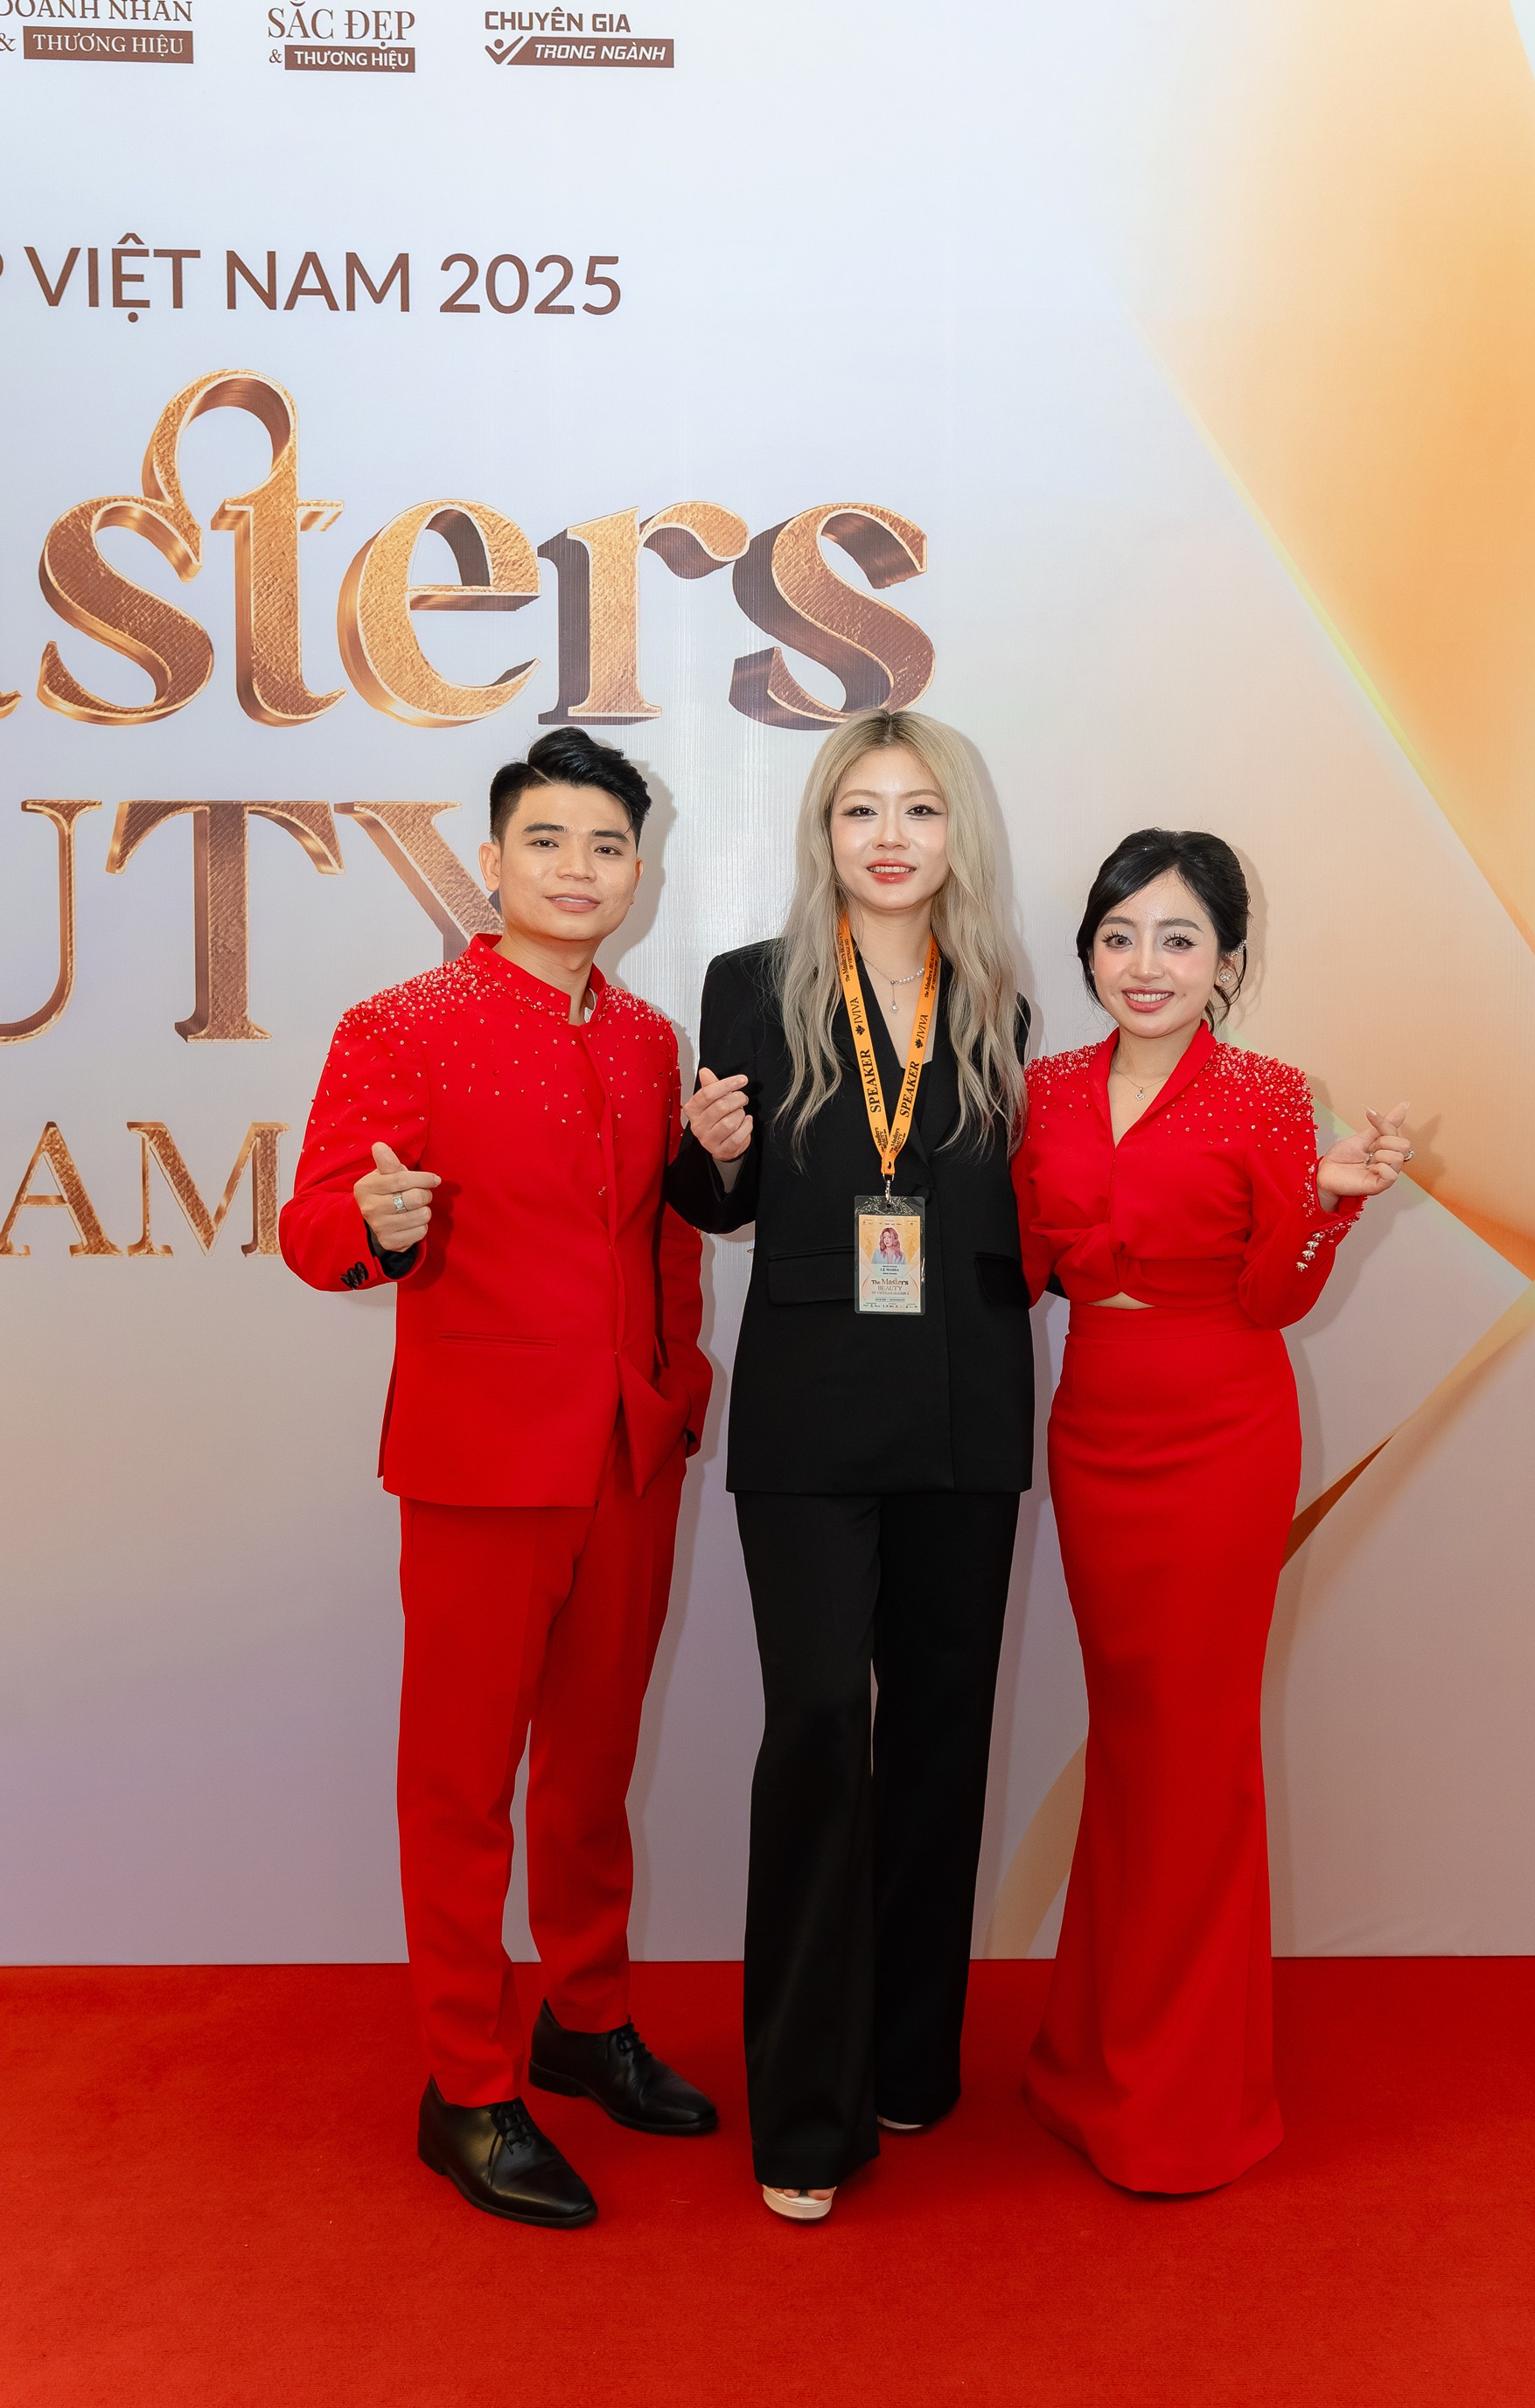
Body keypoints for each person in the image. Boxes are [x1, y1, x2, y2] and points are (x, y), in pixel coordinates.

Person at [281, 727, 716, 2231]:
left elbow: (664, 1234)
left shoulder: (649, 1039)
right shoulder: (402, 1024)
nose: (578, 870)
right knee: (462, 1787)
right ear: (491, 859)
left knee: (594, 1771)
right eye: (547, 841)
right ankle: (465, 2085)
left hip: (629, 1455)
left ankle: (583, 2021)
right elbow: (315, 1222)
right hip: (480, 1463)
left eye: (606, 846)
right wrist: (379, 1224)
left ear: (638, 871)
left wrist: (676, 1393)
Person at [668, 708, 1032, 2222]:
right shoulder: (750, 986)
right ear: (822, 831)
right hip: (813, 1411)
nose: (891, 837)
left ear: (959, 834)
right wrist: (714, 1151)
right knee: (822, 1726)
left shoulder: (1004, 1002)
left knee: (943, 1735)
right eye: (861, 809)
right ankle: (805, 2119)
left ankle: (909, 2057)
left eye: (920, 809)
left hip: (967, 1406)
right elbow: (717, 1201)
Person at [1011, 828, 1409, 2194]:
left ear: (1227, 961)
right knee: (1131, 1744)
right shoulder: (1043, 1091)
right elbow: (1019, 1265)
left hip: (1223, 1431)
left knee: (1196, 1751)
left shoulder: (1270, 1096)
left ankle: (1180, 2096)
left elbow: (1273, 1298)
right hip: (1095, 1428)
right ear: (1089, 952)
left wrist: (1330, 1206)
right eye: (1120, 936)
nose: (1147, 964)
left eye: (1179, 939)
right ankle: (1089, 2059)